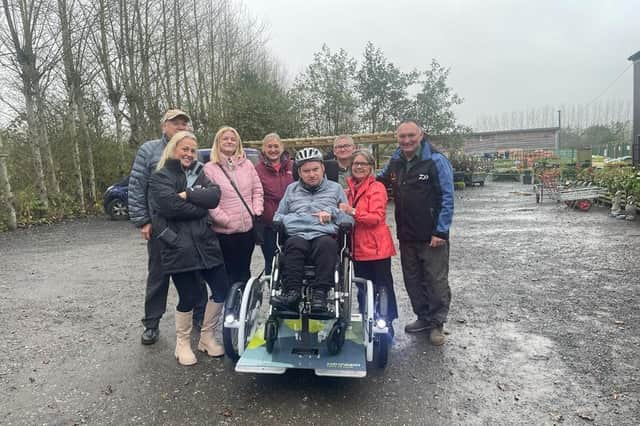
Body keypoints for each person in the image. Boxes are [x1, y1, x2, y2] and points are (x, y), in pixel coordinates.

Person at [149, 131, 229, 365]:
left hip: (206, 243)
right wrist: (198, 204)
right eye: (184, 149)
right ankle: (182, 343)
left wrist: (188, 195)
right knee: (190, 296)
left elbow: (214, 197)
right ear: (173, 149)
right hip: (178, 246)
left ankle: (206, 337)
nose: (189, 154)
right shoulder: (160, 177)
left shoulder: (198, 173)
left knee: (221, 288)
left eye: (193, 150)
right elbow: (170, 207)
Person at [128, 109, 205, 345]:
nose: (180, 127)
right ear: (164, 126)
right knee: (158, 276)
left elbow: (201, 188)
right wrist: (143, 220)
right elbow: (136, 185)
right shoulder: (149, 150)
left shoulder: (192, 152)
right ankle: (152, 323)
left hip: (189, 225)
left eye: (184, 123)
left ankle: (200, 317)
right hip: (160, 226)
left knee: (196, 273)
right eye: (175, 123)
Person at [377, 119, 454, 346]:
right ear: (396, 138)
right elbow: (379, 181)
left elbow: (448, 197)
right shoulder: (396, 160)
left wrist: (441, 230)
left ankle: (437, 323)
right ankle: (423, 318)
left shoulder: (436, 161)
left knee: (435, 280)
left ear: (421, 135)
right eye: (402, 136)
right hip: (407, 233)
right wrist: (352, 188)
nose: (407, 140)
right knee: (412, 279)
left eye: (411, 135)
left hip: (432, 235)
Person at [272, 147, 354, 313]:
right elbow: (277, 217)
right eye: (306, 171)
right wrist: (301, 219)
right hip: (297, 235)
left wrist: (332, 213)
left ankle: (320, 294)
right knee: (293, 244)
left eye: (315, 169)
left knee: (326, 244)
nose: (312, 174)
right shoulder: (291, 189)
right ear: (299, 172)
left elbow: (348, 219)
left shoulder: (336, 188)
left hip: (323, 235)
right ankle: (292, 293)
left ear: (323, 168)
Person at [339, 150, 398, 330]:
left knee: (382, 286)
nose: (358, 167)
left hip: (376, 247)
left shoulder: (377, 188)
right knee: (363, 287)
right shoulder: (349, 189)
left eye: (363, 164)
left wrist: (352, 211)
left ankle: (386, 322)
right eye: (356, 163)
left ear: (371, 167)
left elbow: (375, 218)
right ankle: (366, 316)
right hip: (357, 248)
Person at [204, 126, 263, 284]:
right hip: (225, 232)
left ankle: (245, 306)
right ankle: (231, 307)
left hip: (247, 229)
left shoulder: (247, 165)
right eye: (225, 138)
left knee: (244, 270)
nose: (229, 141)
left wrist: (256, 210)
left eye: (233, 139)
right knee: (229, 273)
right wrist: (224, 219)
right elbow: (209, 201)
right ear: (218, 142)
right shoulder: (210, 169)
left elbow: (257, 190)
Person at [254, 133, 294, 275]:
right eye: (269, 146)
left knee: (291, 259)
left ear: (282, 148)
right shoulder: (257, 170)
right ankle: (272, 292)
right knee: (271, 260)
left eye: (276, 146)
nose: (273, 150)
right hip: (268, 224)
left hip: (291, 222)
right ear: (263, 149)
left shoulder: (293, 166)